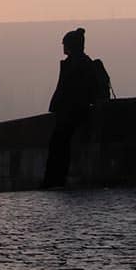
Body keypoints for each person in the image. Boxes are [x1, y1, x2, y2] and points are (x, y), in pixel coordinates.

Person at [41, 27, 108, 188]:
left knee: (58, 145)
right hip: (73, 110)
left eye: (64, 43)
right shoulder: (81, 62)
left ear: (71, 45)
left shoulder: (78, 64)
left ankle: (54, 180)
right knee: (59, 145)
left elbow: (67, 89)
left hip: (73, 111)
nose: (63, 47)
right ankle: (54, 179)